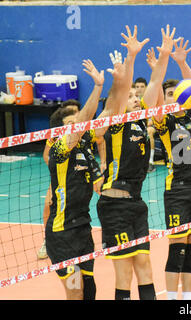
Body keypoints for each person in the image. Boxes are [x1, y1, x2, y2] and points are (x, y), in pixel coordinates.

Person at [142, 25, 191, 300]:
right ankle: (172, 298)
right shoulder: (165, 122)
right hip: (178, 189)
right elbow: (154, 96)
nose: (174, 96)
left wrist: (182, 62)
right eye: (170, 94)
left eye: (177, 93)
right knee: (177, 246)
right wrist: (163, 59)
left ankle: (188, 299)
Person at [95, 25, 157, 300]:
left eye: (137, 97)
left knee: (145, 268)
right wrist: (131, 59)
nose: (134, 99)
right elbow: (119, 95)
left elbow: (155, 85)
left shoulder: (141, 120)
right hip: (114, 205)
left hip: (136, 203)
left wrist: (165, 56)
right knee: (124, 274)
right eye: (131, 96)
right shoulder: (117, 123)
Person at [46, 59, 105, 300]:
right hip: (62, 234)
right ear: (60, 132)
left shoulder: (84, 144)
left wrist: (111, 82)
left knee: (89, 290)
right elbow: (82, 123)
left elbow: (110, 113)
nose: (77, 128)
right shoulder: (59, 151)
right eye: (71, 125)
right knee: (75, 291)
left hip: (82, 228)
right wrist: (96, 88)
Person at [38, 100, 105, 260]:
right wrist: (57, 169)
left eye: (77, 112)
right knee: (49, 204)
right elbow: (46, 155)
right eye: (72, 113)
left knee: (103, 199)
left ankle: (108, 237)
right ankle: (48, 240)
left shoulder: (86, 131)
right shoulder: (57, 135)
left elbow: (101, 141)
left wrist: (103, 162)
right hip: (63, 174)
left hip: (85, 170)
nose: (76, 115)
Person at [134, 76, 157, 172]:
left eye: (142, 86)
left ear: (146, 88)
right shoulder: (132, 101)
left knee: (148, 132)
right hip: (136, 126)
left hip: (152, 125)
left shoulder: (151, 100)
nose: (139, 89)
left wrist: (149, 122)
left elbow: (156, 116)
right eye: (137, 86)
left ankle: (150, 162)